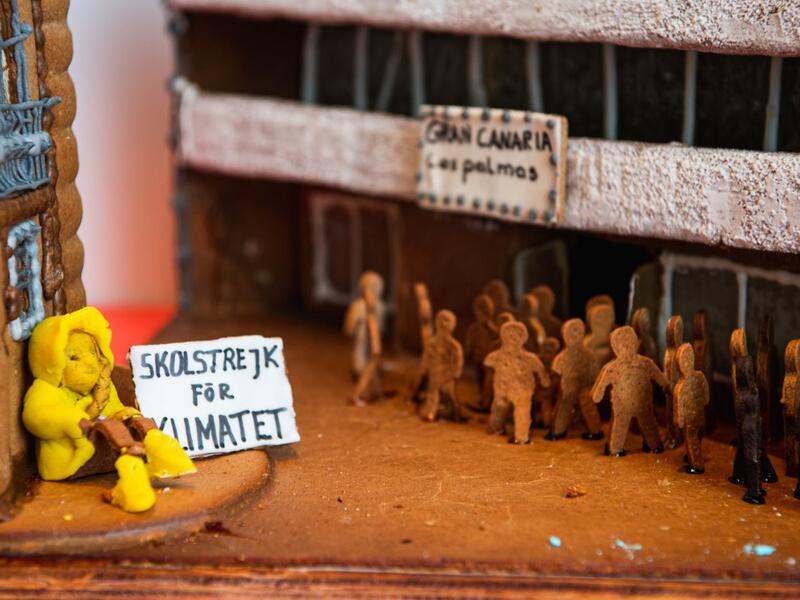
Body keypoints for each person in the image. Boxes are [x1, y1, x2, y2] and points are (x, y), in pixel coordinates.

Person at [22, 307, 195, 513]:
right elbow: (36, 416)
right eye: (74, 357)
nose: (90, 364)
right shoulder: (45, 391)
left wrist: (126, 414)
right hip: (69, 459)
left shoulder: (102, 386)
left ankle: (159, 446)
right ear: (51, 362)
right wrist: (73, 421)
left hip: (100, 455)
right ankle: (131, 476)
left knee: (132, 417)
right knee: (111, 427)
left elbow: (114, 408)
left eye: (93, 354)